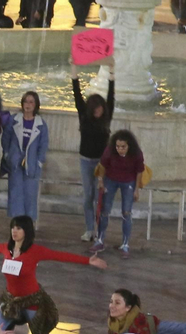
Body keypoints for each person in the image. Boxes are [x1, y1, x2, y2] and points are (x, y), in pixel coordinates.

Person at [0, 215, 106, 334]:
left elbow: (60, 255)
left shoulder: (35, 251)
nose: (14, 231)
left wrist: (87, 261)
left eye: (19, 228)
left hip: (32, 300)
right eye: (13, 227)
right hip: (11, 300)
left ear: (26, 231)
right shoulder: (6, 248)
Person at [71, 75, 115, 242]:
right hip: (85, 160)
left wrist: (112, 76)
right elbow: (77, 94)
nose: (98, 111)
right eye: (95, 109)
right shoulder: (84, 116)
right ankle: (89, 229)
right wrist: (74, 73)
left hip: (102, 163)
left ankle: (100, 229)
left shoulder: (107, 117)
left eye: (100, 108)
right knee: (88, 195)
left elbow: (111, 97)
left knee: (100, 196)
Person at [93, 129, 146, 256]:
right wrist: (100, 181)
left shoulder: (137, 153)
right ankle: (100, 240)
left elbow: (139, 171)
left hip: (128, 181)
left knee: (126, 212)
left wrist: (136, 189)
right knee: (105, 210)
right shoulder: (110, 150)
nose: (120, 149)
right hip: (110, 179)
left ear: (129, 146)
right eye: (118, 146)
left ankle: (125, 243)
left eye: (123, 147)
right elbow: (102, 166)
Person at [0, 93, 47, 221]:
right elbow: (6, 138)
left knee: (30, 195)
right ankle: (16, 224)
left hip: (31, 164)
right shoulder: (14, 120)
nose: (28, 105)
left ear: (36, 105)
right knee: (15, 194)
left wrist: (38, 162)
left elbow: (43, 145)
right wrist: (8, 155)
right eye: (26, 102)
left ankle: (28, 225)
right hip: (15, 163)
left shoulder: (41, 124)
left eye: (31, 102)